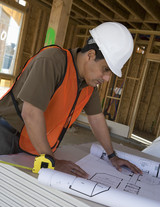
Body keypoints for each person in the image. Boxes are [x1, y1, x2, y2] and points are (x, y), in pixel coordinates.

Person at [0, 22, 142, 177]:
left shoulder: (88, 84)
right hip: (6, 135)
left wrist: (112, 156)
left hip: (33, 145)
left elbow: (96, 118)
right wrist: (52, 161)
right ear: (90, 55)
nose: (107, 78)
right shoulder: (53, 61)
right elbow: (31, 113)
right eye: (106, 69)